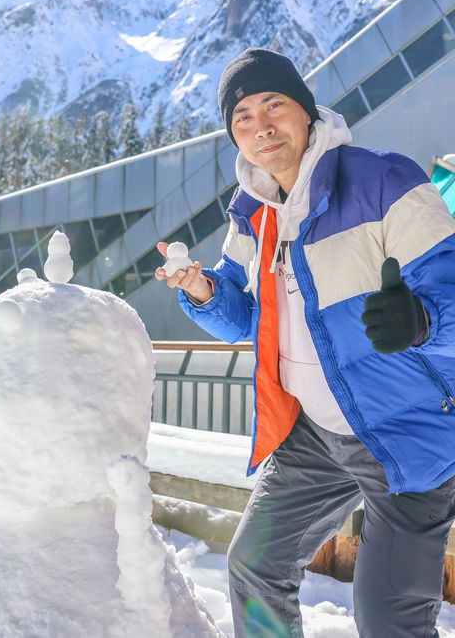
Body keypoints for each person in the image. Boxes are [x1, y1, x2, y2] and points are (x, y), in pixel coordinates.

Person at [155, 47, 455, 638]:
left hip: (402, 428)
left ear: (307, 112)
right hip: (313, 434)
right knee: (253, 569)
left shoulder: (385, 179)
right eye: (242, 116)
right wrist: (203, 289)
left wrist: (421, 319)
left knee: (387, 616)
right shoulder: (253, 213)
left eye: (274, 104)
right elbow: (245, 319)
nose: (261, 126)